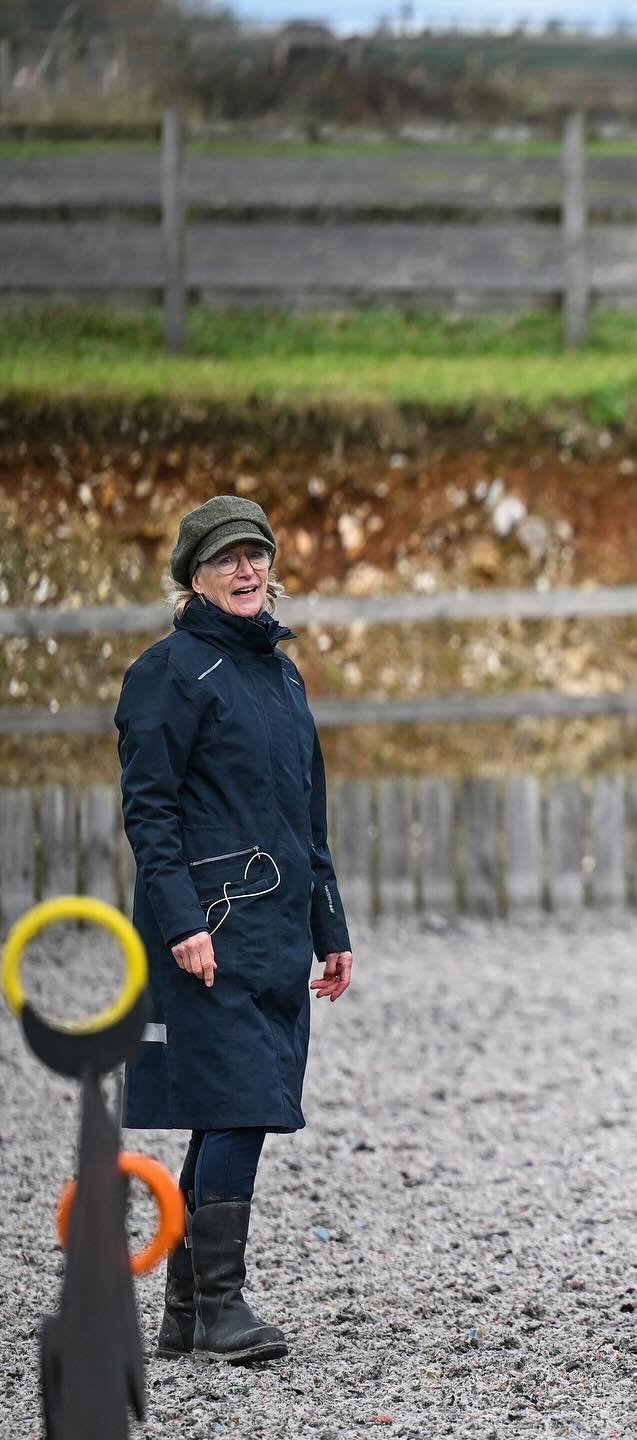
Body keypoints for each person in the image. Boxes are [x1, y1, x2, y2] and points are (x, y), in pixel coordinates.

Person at [115, 495, 353, 1365]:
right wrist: (180, 922)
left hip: (278, 931)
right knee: (239, 1105)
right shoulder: (166, 673)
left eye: (256, 556)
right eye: (228, 561)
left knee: (230, 1110)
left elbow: (306, 813)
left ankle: (185, 1317)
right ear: (196, 579)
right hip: (207, 929)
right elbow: (150, 813)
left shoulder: (282, 674)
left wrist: (331, 923)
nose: (248, 572)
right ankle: (220, 1309)